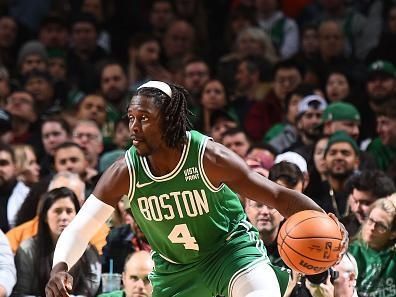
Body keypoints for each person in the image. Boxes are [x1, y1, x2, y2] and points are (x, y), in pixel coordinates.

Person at [46, 81, 345, 297]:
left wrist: (326, 221)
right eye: (131, 118)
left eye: (145, 118)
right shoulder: (125, 171)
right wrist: (59, 267)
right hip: (174, 269)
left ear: (170, 120)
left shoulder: (209, 157)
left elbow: (277, 196)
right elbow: (81, 227)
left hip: (230, 251)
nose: (133, 127)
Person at [13, 187, 101, 296]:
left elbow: (90, 291)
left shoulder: (88, 250)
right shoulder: (28, 249)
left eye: (69, 211)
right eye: (57, 211)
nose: (64, 217)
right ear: (45, 216)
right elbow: (21, 292)